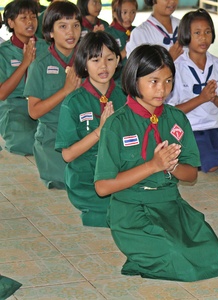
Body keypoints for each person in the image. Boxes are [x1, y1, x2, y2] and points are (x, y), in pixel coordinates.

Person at [94, 44, 218, 282]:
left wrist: (172, 166)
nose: (162, 89)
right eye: (153, 81)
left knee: (209, 252)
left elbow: (191, 176)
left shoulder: (176, 118)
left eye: (168, 81)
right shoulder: (117, 124)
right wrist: (153, 165)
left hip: (169, 203)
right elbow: (102, 187)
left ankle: (152, 248)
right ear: (134, 79)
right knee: (176, 256)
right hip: (131, 208)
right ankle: (143, 249)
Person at [55, 31, 126, 227]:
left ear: (118, 60)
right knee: (118, 214)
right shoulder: (73, 102)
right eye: (95, 60)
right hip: (87, 179)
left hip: (119, 172)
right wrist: (99, 131)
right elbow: (67, 155)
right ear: (84, 63)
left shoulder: (124, 98)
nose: (103, 66)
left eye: (110, 59)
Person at [166, 9, 218, 172]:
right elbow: (169, 112)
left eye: (207, 32)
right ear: (185, 35)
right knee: (210, 165)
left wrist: (214, 99)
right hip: (191, 129)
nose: (203, 37)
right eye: (197, 33)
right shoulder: (175, 68)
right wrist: (201, 98)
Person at [24, 1, 82, 189]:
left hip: (84, 132)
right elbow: (33, 112)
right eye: (63, 26)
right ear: (50, 32)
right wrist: (65, 90)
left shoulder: (88, 61)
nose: (70, 32)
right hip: (53, 138)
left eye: (75, 25)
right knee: (71, 178)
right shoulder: (39, 65)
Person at [0, 0, 47, 155]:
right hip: (14, 106)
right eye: (23, 18)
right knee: (26, 142)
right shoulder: (3, 52)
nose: (30, 22)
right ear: (11, 22)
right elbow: (2, 94)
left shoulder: (46, 48)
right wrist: (25, 63)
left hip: (44, 104)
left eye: (33, 17)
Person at [105, 0, 137, 84]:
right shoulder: (108, 33)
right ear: (115, 13)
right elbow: (106, 60)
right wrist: (125, 50)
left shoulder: (137, 31)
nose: (129, 17)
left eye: (133, 12)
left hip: (135, 80)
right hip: (117, 82)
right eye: (125, 12)